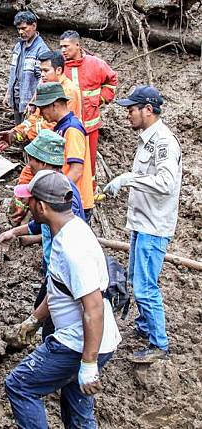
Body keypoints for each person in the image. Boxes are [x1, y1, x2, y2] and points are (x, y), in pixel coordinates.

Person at [5, 170, 121, 428]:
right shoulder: (70, 230)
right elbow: (59, 288)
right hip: (92, 341)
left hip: (78, 343)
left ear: (42, 206)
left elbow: (93, 308)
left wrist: (88, 363)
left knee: (20, 385)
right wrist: (33, 321)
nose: (27, 205)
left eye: (30, 200)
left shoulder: (73, 249)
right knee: (77, 409)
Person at [104, 85, 181, 363]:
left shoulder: (163, 142)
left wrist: (127, 179)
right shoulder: (147, 139)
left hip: (154, 226)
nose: (128, 114)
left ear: (148, 110)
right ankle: (146, 325)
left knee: (146, 286)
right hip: (142, 221)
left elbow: (166, 183)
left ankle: (159, 344)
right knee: (137, 279)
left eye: (132, 109)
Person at [0, 129, 85, 338]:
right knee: (45, 310)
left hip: (63, 270)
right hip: (52, 266)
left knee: (53, 322)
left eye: (32, 160)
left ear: (43, 163)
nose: (29, 165)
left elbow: (70, 233)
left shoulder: (64, 193)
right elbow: (40, 223)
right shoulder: (49, 188)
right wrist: (14, 232)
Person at [0, 49, 82, 225]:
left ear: (58, 70)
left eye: (45, 71)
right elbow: (33, 119)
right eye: (40, 71)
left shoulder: (67, 94)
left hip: (55, 163)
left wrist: (56, 193)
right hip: (42, 155)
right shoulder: (44, 89)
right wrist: (16, 133)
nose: (41, 75)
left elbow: (46, 127)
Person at [32, 82, 95, 221]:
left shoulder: (72, 129)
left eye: (43, 109)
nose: (41, 114)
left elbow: (76, 170)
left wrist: (55, 194)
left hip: (74, 201)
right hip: (66, 197)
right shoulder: (61, 127)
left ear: (55, 105)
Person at [61, 30, 118, 177]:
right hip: (67, 126)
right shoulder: (59, 66)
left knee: (89, 160)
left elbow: (112, 81)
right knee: (68, 160)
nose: (63, 50)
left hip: (90, 125)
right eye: (61, 47)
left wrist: (101, 99)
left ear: (78, 45)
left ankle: (90, 193)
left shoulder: (96, 64)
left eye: (67, 46)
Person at [4, 11, 49, 124]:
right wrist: (8, 94)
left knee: (29, 133)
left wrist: (33, 102)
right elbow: (13, 72)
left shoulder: (41, 50)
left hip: (30, 102)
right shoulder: (19, 46)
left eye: (24, 28)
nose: (21, 32)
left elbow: (43, 79)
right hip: (17, 98)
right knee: (18, 132)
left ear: (34, 25)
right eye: (18, 29)